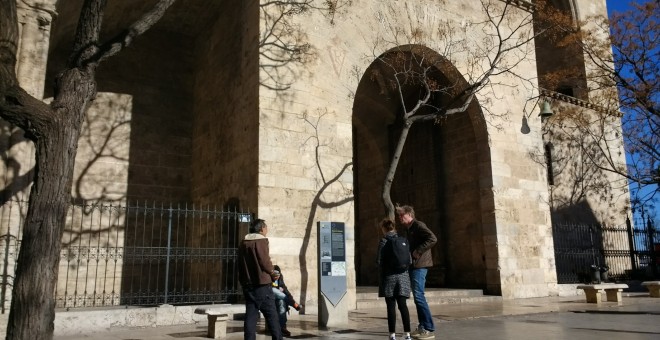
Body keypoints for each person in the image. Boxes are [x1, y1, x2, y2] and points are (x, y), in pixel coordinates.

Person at [396, 205, 437, 340]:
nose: (400, 218)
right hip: (414, 265)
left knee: (419, 296)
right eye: (399, 215)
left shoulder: (418, 225)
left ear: (410, 215)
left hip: (420, 265)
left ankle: (429, 328)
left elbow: (432, 239)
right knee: (417, 296)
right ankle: (422, 327)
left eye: (402, 215)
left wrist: (418, 251)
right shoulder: (409, 229)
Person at [237, 218, 282, 340]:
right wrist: (273, 272)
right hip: (262, 286)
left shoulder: (243, 242)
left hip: (248, 285)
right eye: (266, 227)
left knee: (251, 316)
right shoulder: (261, 241)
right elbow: (264, 261)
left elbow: (240, 264)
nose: (267, 230)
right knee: (272, 316)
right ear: (262, 229)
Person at [377, 218, 412, 340]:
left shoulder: (384, 241)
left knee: (391, 306)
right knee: (403, 305)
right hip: (403, 277)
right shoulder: (403, 240)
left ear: (384, 228)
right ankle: (407, 334)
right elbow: (410, 260)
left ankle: (392, 335)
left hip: (389, 277)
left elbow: (379, 260)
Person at [271, 265, 303, 337]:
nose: (277, 276)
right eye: (275, 274)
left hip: (279, 298)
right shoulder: (267, 278)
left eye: (278, 274)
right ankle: (294, 304)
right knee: (274, 290)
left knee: (281, 302)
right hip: (269, 297)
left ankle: (282, 327)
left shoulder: (280, 279)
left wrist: (290, 298)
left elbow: (285, 290)